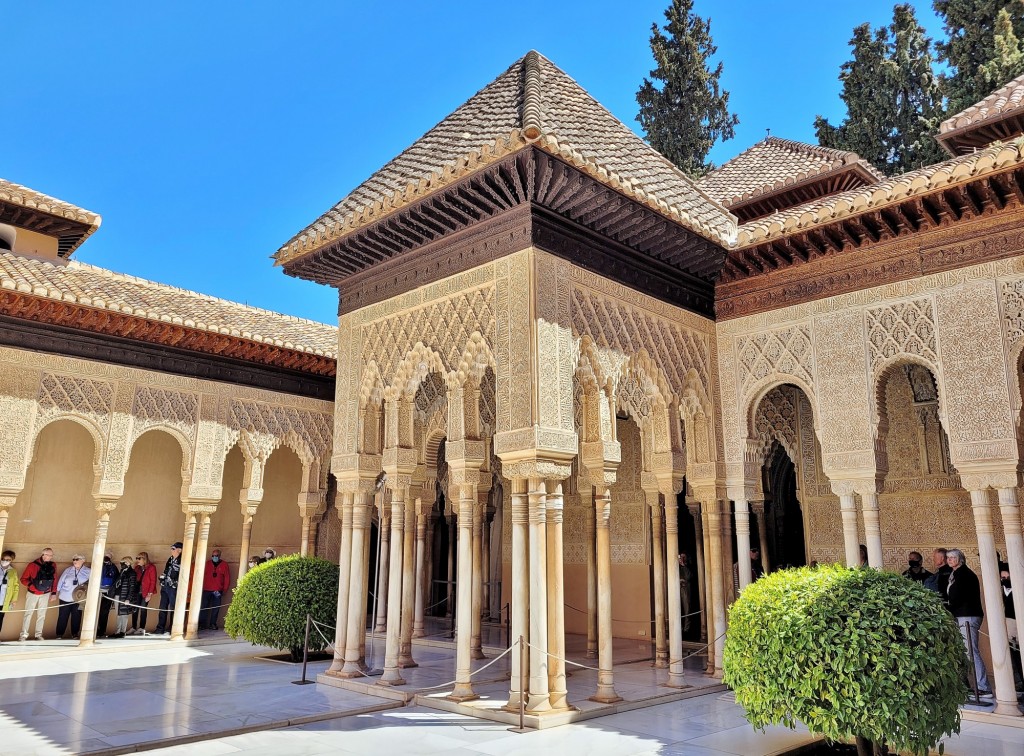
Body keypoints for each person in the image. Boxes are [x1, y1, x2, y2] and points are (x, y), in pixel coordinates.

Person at [946, 549, 991, 695]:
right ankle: (975, 685)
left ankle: (983, 686)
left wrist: (948, 607)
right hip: (963, 615)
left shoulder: (964, 574)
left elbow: (958, 596)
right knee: (968, 651)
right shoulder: (957, 574)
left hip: (967, 616)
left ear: (960, 559)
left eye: (953, 557)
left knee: (972, 651)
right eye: (948, 558)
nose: (950, 560)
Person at [20, 548, 58, 641]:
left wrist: (53, 593)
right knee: (28, 614)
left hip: (45, 594)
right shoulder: (32, 565)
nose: (50, 557)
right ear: (43, 554)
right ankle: (23, 635)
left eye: (51, 555)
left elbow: (55, 579)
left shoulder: (53, 565)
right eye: (48, 555)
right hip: (32, 593)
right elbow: (23, 579)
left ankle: (38, 635)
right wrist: (32, 586)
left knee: (42, 614)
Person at [1000, 562, 1024, 691]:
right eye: (1002, 578)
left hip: (1018, 621)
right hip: (1009, 623)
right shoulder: (1003, 589)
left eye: (1006, 577)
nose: (1004, 580)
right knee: (1013, 653)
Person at [55, 555, 90, 640]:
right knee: (63, 616)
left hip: (79, 598)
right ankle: (59, 634)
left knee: (77, 616)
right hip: (65, 596)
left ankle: (75, 634)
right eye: (73, 559)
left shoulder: (88, 571)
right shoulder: (68, 570)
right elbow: (61, 581)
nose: (74, 561)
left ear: (83, 560)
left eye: (77, 559)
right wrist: (55, 593)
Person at [153, 543, 182, 635]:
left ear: (179, 550)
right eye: (171, 548)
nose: (171, 550)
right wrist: (163, 577)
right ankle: (160, 628)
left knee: (173, 608)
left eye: (173, 549)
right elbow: (166, 570)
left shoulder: (182, 560)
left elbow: (183, 574)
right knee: (163, 607)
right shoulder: (170, 558)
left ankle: (172, 629)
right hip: (165, 586)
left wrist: (175, 582)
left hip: (173, 587)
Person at [199, 549, 230, 631]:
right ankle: (202, 624)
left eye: (216, 556)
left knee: (216, 608)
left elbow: (227, 578)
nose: (214, 557)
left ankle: (213, 623)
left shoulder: (224, 565)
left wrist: (225, 589)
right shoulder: (207, 563)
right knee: (204, 607)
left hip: (217, 590)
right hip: (206, 589)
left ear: (219, 556)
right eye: (213, 556)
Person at [110, 556, 139, 638]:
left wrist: (128, 599)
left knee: (124, 614)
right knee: (118, 614)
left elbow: (132, 587)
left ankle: (122, 632)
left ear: (129, 563)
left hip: (125, 596)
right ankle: (117, 631)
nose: (122, 564)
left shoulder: (132, 573)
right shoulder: (122, 571)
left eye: (124, 562)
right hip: (118, 595)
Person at [130, 551, 158, 635]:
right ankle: (133, 627)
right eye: (137, 558)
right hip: (137, 591)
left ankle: (142, 628)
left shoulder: (151, 567)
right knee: (135, 609)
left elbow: (153, 581)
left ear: (144, 559)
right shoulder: (137, 568)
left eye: (139, 558)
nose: (137, 560)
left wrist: (149, 594)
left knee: (143, 609)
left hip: (146, 592)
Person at [95, 552, 119, 638]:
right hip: (97, 591)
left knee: (104, 612)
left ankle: (101, 631)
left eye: (108, 557)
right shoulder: (97, 564)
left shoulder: (113, 567)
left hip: (108, 593)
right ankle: (93, 630)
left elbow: (116, 579)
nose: (106, 558)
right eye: (106, 556)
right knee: (95, 611)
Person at [0, 550, 19, 638]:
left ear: (12, 560)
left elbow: (16, 586)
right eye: (3, 559)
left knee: (0, 619)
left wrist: (14, 600)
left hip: (4, 599)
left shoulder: (13, 571)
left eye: (8, 559)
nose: (5, 561)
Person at [678, 553, 692, 635]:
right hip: (678, 588)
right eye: (681, 557)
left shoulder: (687, 566)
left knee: (687, 609)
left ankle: (687, 629)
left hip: (686, 589)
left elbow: (689, 577)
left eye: (683, 557)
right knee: (678, 609)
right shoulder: (677, 566)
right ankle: (680, 628)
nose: (682, 558)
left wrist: (683, 565)